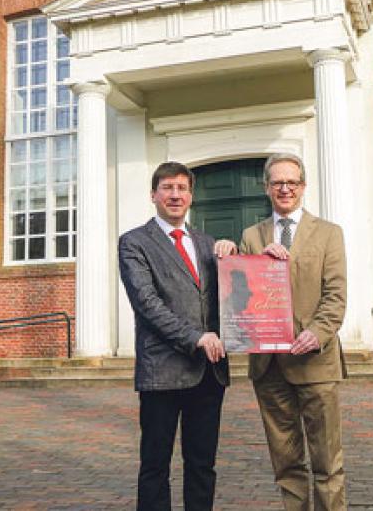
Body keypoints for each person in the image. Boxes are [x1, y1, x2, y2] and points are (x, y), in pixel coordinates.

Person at [216, 153, 347, 510]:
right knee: (286, 463)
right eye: (277, 182)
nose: (284, 188)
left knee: (326, 461)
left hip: (314, 363)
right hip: (269, 367)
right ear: (266, 187)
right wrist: (227, 256)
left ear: (303, 186)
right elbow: (240, 295)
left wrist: (318, 333)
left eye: (291, 181)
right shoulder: (251, 235)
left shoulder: (329, 233)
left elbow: (336, 297)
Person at [118, 161, 230, 511]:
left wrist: (236, 258)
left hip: (209, 372)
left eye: (182, 188)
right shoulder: (134, 242)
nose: (175, 195)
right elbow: (147, 304)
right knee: (155, 465)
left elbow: (230, 298)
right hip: (162, 373)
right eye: (167, 188)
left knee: (202, 465)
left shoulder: (208, 243)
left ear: (191, 196)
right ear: (154, 195)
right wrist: (196, 337)